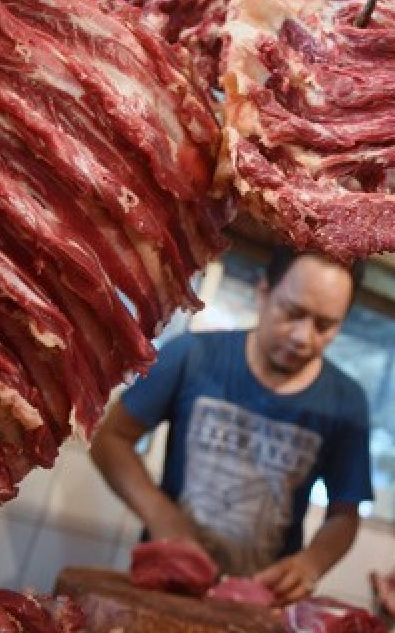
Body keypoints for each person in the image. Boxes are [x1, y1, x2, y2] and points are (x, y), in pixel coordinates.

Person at [90, 247, 373, 604]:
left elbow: (344, 515)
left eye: (325, 325)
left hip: (262, 601)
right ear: (264, 292)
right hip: (170, 583)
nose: (303, 337)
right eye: (293, 312)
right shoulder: (192, 355)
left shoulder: (346, 402)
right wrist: (162, 516)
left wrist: (311, 563)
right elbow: (111, 438)